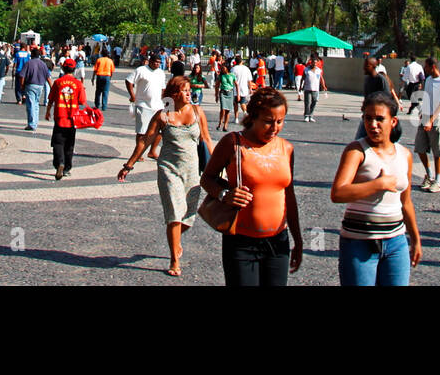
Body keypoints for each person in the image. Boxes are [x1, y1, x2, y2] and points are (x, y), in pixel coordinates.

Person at [200, 88, 303, 287]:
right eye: (268, 121)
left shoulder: (286, 149)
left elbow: (289, 195)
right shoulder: (233, 143)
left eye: (280, 121)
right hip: (241, 242)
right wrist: (224, 194)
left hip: (277, 242)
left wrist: (297, 239)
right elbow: (207, 178)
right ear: (253, 117)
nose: (274, 128)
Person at [118, 76, 213, 276]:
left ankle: (175, 239)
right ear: (174, 94)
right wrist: (129, 165)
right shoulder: (163, 116)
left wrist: (216, 166)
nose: (189, 94)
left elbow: (206, 138)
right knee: (174, 215)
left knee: (187, 216)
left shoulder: (197, 112)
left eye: (189, 90)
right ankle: (174, 259)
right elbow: (145, 141)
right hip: (169, 170)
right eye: (185, 90)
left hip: (192, 171)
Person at [332, 90, 421, 286]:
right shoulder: (356, 151)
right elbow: (338, 193)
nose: (372, 124)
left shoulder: (404, 154)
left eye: (380, 119)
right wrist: (377, 184)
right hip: (359, 241)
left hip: (395, 242)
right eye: (368, 118)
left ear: (393, 121)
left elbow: (406, 202)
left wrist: (415, 239)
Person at [45, 58, 87, 180]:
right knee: (69, 145)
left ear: (63, 68)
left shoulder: (58, 82)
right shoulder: (78, 84)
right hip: (72, 119)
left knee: (58, 143)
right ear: (74, 69)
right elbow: (82, 101)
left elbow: (51, 99)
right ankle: (67, 168)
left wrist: (48, 112)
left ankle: (59, 163)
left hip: (59, 117)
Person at [415, 58, 440, 192]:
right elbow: (426, 97)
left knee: (437, 150)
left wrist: (431, 120)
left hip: (437, 118)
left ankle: (438, 180)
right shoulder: (428, 80)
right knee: (420, 147)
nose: (425, 69)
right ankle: (429, 175)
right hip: (425, 116)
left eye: (426, 66)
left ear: (432, 66)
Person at [126, 53, 166, 159]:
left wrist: (164, 99)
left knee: (160, 131)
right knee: (142, 131)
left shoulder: (161, 73)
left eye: (159, 63)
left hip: (157, 105)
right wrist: (132, 95)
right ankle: (138, 153)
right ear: (150, 61)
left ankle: (152, 151)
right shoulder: (141, 70)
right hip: (143, 104)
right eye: (155, 62)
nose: (157, 64)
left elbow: (163, 88)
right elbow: (129, 81)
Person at [19, 46, 51, 131]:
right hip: (40, 85)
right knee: (36, 104)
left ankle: (32, 124)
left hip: (30, 85)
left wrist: (22, 85)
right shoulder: (43, 64)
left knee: (31, 105)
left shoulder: (28, 63)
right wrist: (52, 87)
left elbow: (22, 76)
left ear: (32, 55)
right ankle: (35, 123)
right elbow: (48, 77)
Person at [216, 60, 236, 130]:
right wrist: (216, 95)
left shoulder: (232, 75)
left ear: (227, 68)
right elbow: (217, 85)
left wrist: (238, 94)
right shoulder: (221, 76)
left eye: (223, 68)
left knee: (228, 110)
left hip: (230, 92)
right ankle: (220, 122)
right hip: (223, 92)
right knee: (223, 108)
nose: (222, 69)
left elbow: (236, 84)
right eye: (222, 68)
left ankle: (225, 125)